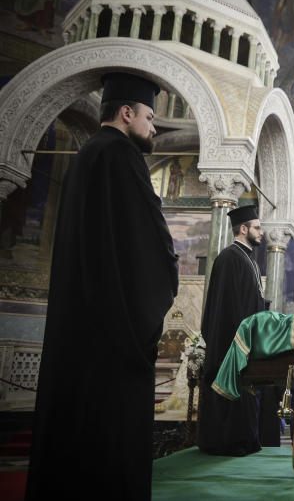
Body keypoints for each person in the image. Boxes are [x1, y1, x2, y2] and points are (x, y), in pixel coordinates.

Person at [26, 73, 179, 499]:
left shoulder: (88, 154)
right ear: (126, 113)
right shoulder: (120, 156)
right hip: (113, 336)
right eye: (149, 117)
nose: (153, 127)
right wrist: (166, 271)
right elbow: (143, 243)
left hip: (81, 328)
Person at [198, 204, 278, 456]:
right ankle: (228, 442)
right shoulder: (229, 258)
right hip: (231, 342)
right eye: (257, 228)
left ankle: (245, 439)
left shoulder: (247, 259)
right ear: (243, 229)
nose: (261, 233)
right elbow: (225, 307)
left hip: (245, 340)